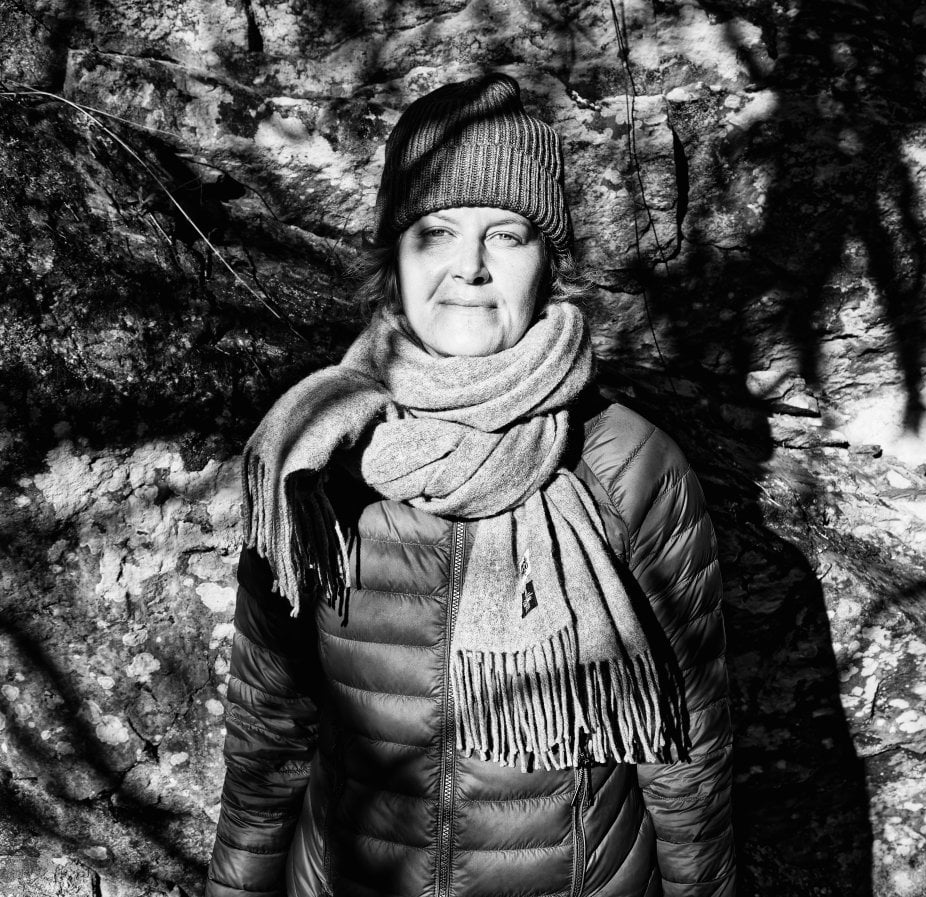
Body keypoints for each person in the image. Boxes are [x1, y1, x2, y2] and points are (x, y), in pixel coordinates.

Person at [205, 73, 734, 897]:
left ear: (547, 262)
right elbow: (269, 735)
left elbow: (686, 759)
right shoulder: (313, 461)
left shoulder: (626, 462)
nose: (471, 267)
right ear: (396, 255)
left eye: (508, 234)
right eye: (437, 231)